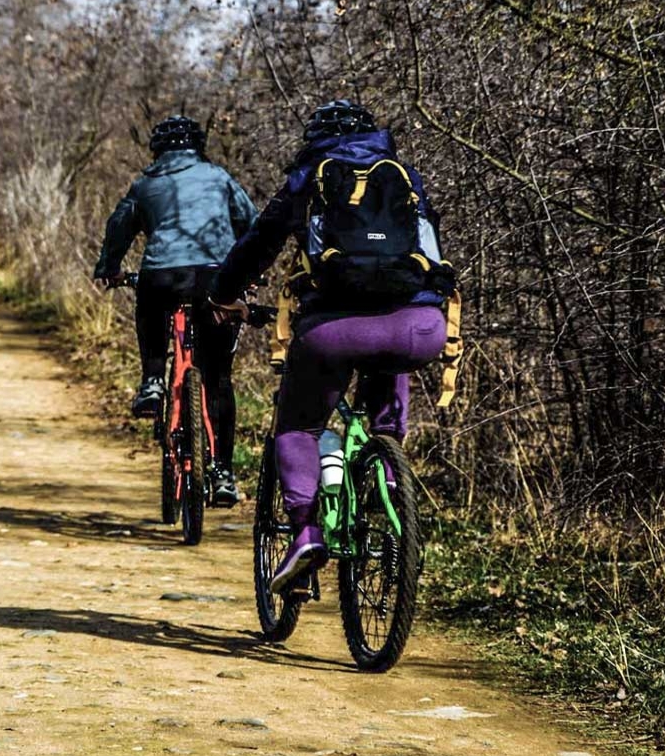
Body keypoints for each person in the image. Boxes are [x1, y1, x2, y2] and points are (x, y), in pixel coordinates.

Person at [209, 99, 453, 593]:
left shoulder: (307, 179)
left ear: (314, 140)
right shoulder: (404, 177)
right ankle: (388, 476)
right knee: (388, 368)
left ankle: (304, 532)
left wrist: (223, 295)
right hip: (420, 327)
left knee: (298, 424)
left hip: (334, 332)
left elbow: (259, 243)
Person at [93, 114, 258, 506]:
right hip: (216, 279)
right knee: (218, 376)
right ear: (198, 147)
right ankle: (222, 472)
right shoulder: (219, 178)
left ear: (157, 150)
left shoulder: (146, 183)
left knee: (150, 305)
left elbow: (120, 226)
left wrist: (110, 269)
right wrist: (249, 274)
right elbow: (252, 224)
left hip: (162, 275)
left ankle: (152, 380)